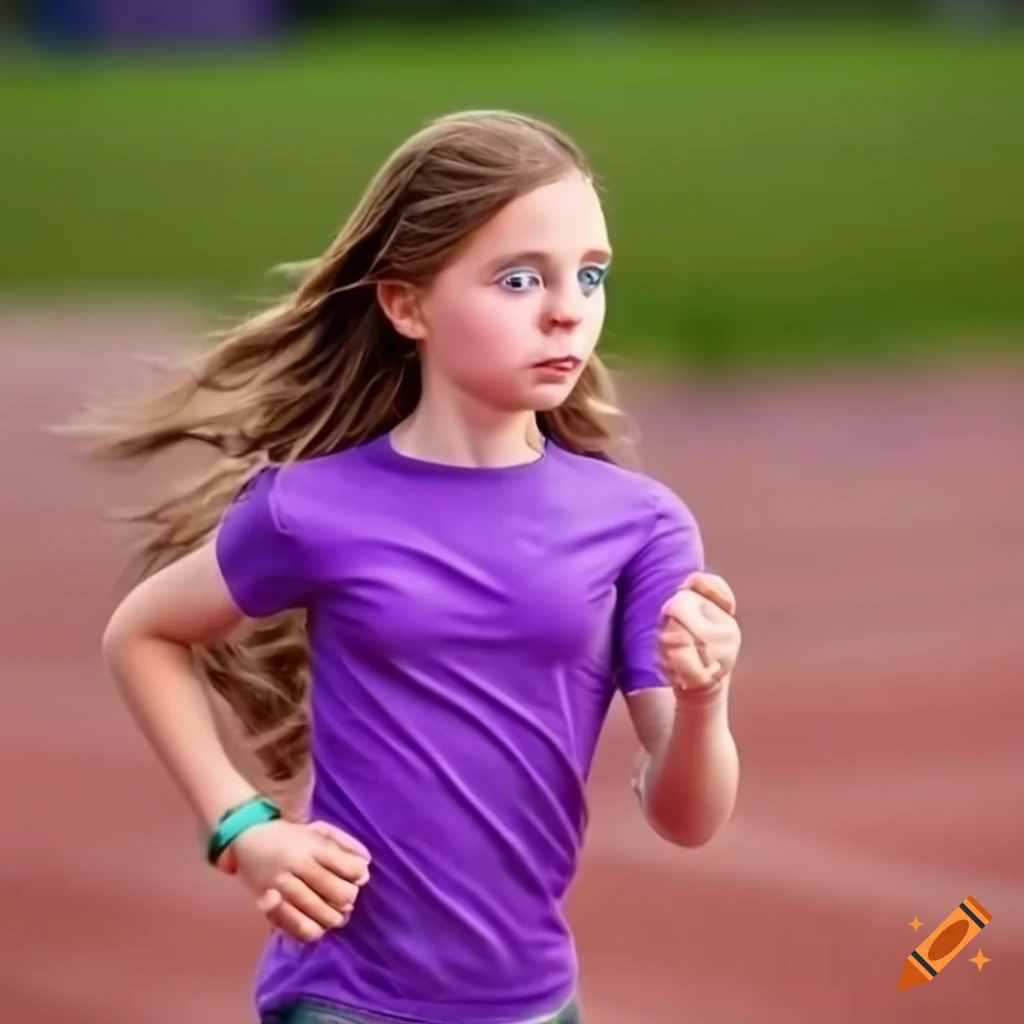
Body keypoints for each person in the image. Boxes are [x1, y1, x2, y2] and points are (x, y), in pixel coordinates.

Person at [89, 110, 742, 1024]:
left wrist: (706, 700)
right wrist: (242, 828)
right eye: (519, 278)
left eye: (589, 276)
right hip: (344, 1001)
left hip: (537, 1003)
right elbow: (143, 633)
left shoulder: (639, 526)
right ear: (406, 305)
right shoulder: (311, 508)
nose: (567, 308)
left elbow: (687, 818)